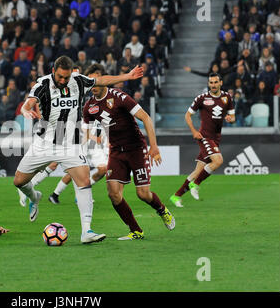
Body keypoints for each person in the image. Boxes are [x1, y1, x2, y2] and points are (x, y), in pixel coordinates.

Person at [13, 55, 144, 244]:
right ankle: (35, 196)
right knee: (19, 181)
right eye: (60, 77)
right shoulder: (43, 84)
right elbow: (30, 101)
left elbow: (101, 80)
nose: (63, 81)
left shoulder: (78, 81)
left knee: (83, 182)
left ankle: (87, 231)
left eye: (66, 77)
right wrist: (26, 110)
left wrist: (127, 76)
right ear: (53, 71)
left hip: (71, 143)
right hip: (45, 142)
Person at [81, 64, 175, 240]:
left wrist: (153, 146)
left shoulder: (119, 97)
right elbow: (85, 133)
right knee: (113, 194)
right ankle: (136, 230)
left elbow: (145, 117)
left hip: (136, 149)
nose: (93, 86)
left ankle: (162, 210)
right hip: (116, 151)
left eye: (96, 82)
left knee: (143, 194)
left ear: (104, 81)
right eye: (90, 83)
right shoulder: (89, 107)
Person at [170, 73, 235, 208]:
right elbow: (187, 115)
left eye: (215, 82)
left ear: (220, 83)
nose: (213, 85)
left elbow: (232, 116)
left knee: (198, 171)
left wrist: (230, 119)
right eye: (211, 82)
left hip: (216, 138)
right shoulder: (202, 98)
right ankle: (196, 184)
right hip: (204, 136)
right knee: (218, 161)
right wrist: (194, 131)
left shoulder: (227, 97)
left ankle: (176, 196)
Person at [48, 119, 108, 205]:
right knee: (74, 172)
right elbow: (84, 132)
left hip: (95, 148)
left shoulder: (104, 117)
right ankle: (55, 195)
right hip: (81, 145)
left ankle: (82, 192)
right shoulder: (87, 116)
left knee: (103, 169)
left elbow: (104, 135)